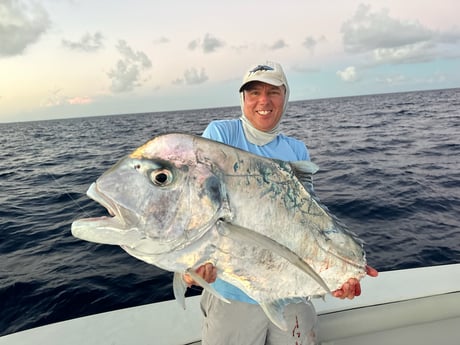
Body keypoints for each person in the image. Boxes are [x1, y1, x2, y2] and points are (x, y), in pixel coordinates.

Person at [184, 61, 378, 345]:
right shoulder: (221, 136)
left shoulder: (296, 149)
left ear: (285, 97)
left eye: (273, 92)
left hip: (290, 290)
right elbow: (201, 203)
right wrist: (192, 263)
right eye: (254, 92)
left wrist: (340, 268)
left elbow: (312, 219)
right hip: (234, 292)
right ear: (243, 99)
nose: (263, 101)